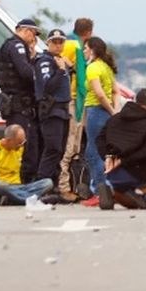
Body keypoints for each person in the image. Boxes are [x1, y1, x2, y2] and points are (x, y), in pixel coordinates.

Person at [0, 18, 40, 183]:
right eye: (34, 35)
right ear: (27, 31)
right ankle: (23, 183)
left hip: (15, 103)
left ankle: (18, 181)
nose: (34, 39)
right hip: (19, 105)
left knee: (22, 144)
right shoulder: (17, 46)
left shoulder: (8, 44)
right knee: (23, 145)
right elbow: (26, 73)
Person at [57, 18, 94, 202]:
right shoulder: (76, 46)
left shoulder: (66, 43)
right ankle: (65, 187)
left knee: (70, 145)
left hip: (62, 101)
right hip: (73, 101)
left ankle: (69, 185)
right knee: (71, 146)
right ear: (88, 33)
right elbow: (81, 79)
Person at [81, 36, 119, 209]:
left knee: (94, 153)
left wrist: (111, 111)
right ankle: (102, 187)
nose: (84, 51)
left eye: (86, 48)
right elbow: (115, 92)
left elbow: (99, 94)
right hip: (104, 112)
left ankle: (99, 190)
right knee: (97, 151)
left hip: (96, 111)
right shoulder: (107, 67)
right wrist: (114, 110)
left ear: (93, 50)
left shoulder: (93, 68)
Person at [0, 124, 54, 206]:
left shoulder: (19, 149)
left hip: (17, 188)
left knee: (48, 182)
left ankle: (20, 199)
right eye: (19, 143)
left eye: (23, 142)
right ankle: (29, 199)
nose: (21, 145)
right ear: (9, 140)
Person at [34, 29, 71, 189]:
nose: (58, 45)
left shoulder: (60, 60)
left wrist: (70, 68)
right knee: (52, 148)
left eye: (61, 41)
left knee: (59, 151)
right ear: (47, 43)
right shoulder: (45, 61)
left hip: (62, 110)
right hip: (51, 110)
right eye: (54, 42)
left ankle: (54, 186)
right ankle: (42, 185)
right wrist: (61, 70)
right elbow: (48, 86)